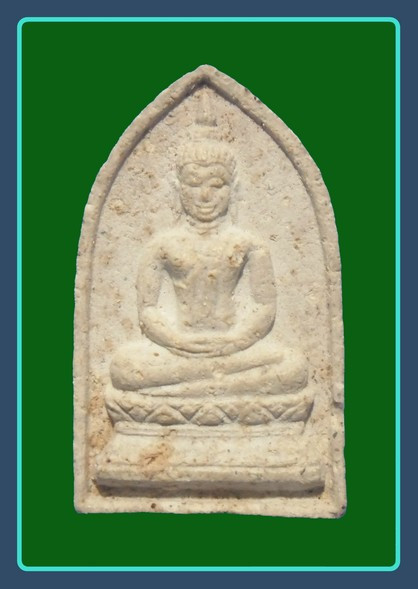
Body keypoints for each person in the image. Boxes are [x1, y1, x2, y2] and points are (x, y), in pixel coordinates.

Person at [110, 142, 307, 397]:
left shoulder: (248, 244)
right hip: (179, 351)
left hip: (234, 349)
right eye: (194, 184)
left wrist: (234, 341)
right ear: (178, 189)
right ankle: (222, 388)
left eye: (216, 185)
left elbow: (264, 307)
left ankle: (183, 391)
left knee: (293, 365)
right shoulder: (161, 246)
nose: (205, 195)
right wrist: (177, 341)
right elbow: (148, 310)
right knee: (124, 366)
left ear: (233, 189)